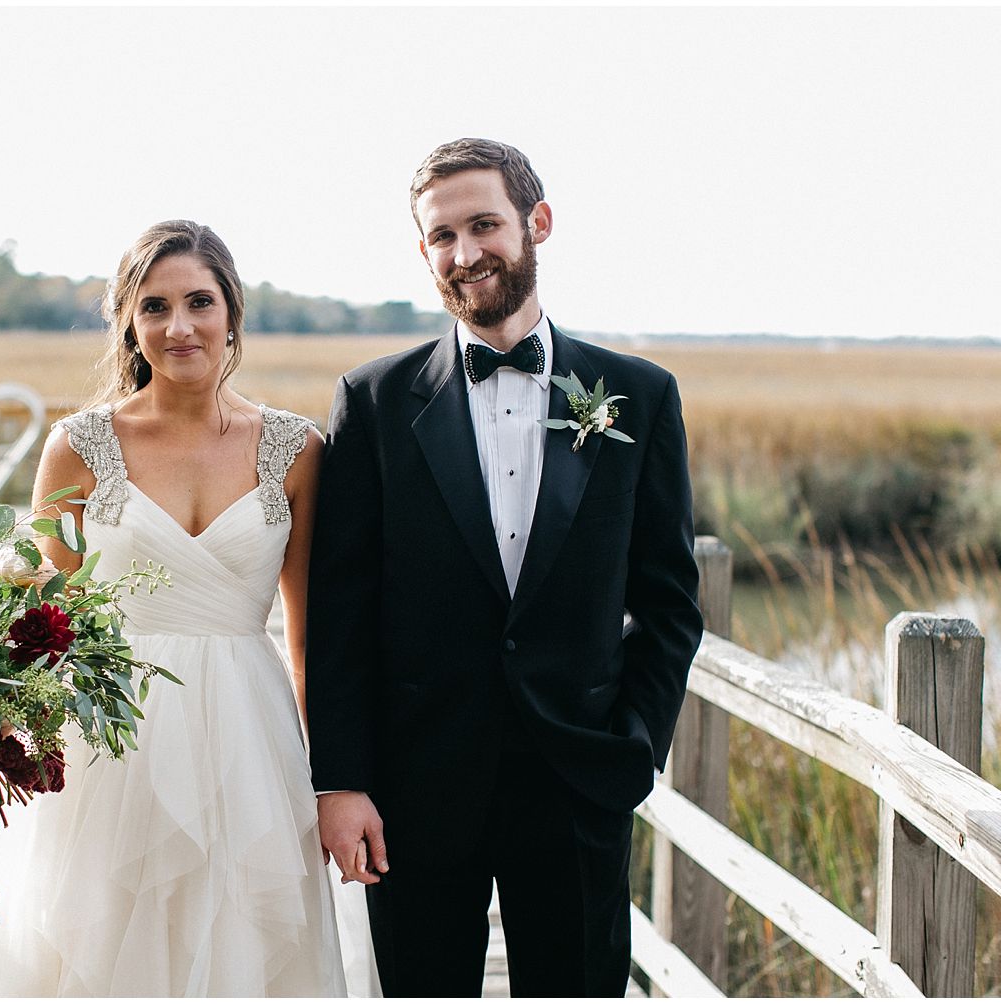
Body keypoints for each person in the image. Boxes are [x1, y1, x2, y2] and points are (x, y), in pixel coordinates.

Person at [0, 220, 372, 995]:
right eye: (155, 307)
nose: (179, 326)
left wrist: (330, 779)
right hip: (111, 736)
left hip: (249, 737)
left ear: (232, 312)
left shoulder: (297, 448)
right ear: (128, 319)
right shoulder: (78, 445)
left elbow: (308, 634)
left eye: (199, 302)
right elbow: (44, 624)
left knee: (241, 948)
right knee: (99, 947)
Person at [307, 138, 704, 997]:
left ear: (538, 223)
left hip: (577, 785)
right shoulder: (372, 403)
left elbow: (670, 604)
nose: (465, 252)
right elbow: (339, 614)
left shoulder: (640, 395)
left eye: (484, 224)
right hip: (413, 792)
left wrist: (632, 750)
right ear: (424, 252)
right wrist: (340, 781)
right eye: (441, 236)